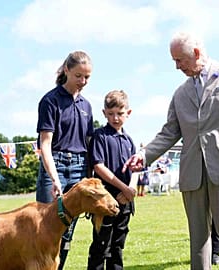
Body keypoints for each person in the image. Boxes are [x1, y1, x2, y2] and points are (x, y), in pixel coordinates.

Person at [123, 31, 219, 269]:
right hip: (192, 175)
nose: (177, 67)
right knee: (198, 239)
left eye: (180, 60)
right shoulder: (180, 93)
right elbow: (169, 132)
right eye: (174, 61)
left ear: (196, 53)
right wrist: (144, 155)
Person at [35, 51, 94, 270]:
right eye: (78, 76)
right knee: (45, 228)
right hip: (55, 165)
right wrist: (54, 178)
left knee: (67, 230)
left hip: (79, 169)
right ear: (66, 70)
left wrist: (90, 178)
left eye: (87, 77)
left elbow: (89, 145)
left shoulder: (86, 106)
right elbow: (45, 144)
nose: (83, 81)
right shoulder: (50, 101)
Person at [87, 90, 136, 270]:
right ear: (104, 113)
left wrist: (129, 191)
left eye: (120, 114)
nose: (115, 118)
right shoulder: (100, 136)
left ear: (128, 113)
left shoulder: (129, 140)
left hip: (125, 202)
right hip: (104, 202)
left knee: (118, 245)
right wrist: (123, 188)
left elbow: (135, 168)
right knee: (101, 245)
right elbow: (99, 166)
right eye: (110, 114)